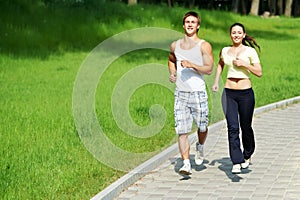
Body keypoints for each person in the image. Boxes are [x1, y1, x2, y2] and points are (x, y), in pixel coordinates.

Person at [212, 23, 262, 174]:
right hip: (229, 94)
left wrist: (244, 64)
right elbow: (220, 64)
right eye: (233, 32)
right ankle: (236, 160)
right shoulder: (225, 50)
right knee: (232, 127)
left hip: (245, 94)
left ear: (244, 34)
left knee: (245, 126)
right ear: (230, 35)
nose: (236, 35)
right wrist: (216, 81)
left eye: (239, 32)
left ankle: (247, 154)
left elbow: (259, 72)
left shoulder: (250, 51)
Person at [168, 11, 214, 175]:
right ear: (183, 24)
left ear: (198, 25)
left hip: (198, 93)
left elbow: (209, 69)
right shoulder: (175, 45)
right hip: (181, 93)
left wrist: (192, 65)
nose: (189, 24)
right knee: (182, 130)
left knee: (202, 126)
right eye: (187, 21)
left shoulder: (203, 45)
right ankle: (186, 163)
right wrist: (173, 73)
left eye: (193, 22)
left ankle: (200, 145)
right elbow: (171, 60)